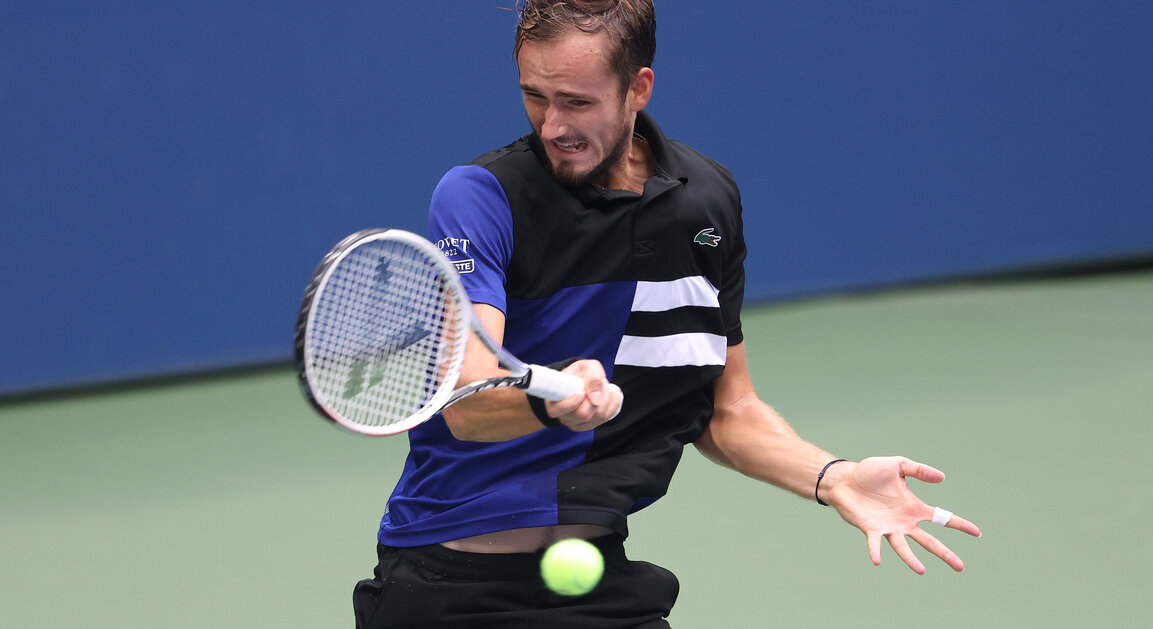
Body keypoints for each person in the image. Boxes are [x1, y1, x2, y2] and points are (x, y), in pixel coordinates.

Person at [352, 1, 981, 627]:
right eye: (534, 96)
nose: (551, 126)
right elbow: (466, 400)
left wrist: (833, 476)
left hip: (596, 582)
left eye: (577, 101)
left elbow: (728, 409)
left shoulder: (705, 202)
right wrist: (553, 400)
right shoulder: (482, 196)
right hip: (447, 587)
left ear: (638, 89)